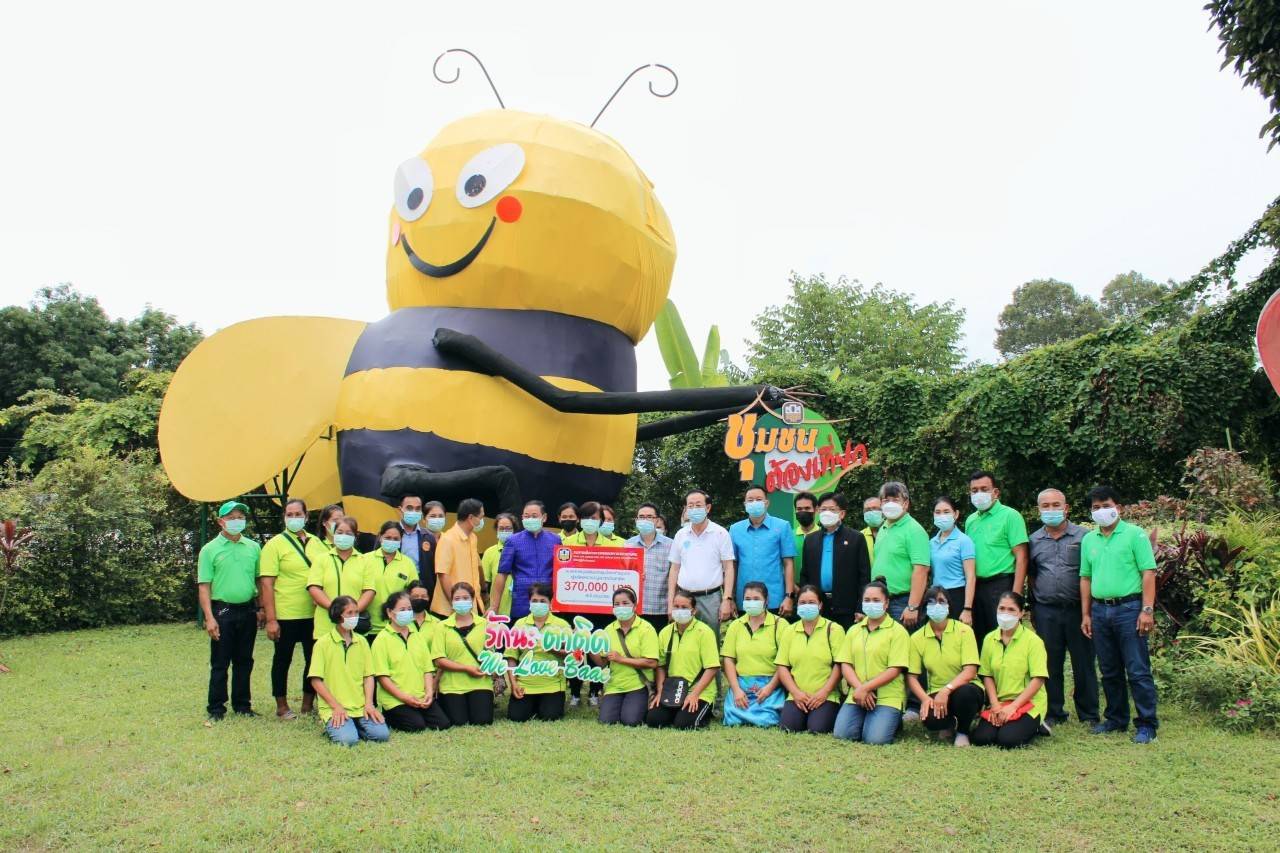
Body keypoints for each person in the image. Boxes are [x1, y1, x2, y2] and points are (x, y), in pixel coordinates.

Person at [1080, 485, 1158, 743]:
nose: (1101, 511)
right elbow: (1085, 578)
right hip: (1100, 610)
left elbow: (1148, 572)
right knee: (1109, 669)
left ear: (1118, 508)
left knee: (1137, 669)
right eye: (1096, 507)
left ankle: (1147, 724)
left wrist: (1147, 610)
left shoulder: (1135, 535)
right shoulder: (1089, 539)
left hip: (1129, 609)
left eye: (1106, 506)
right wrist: (1086, 614)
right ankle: (1116, 718)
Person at [1028, 488, 1098, 727]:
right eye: (1045, 506)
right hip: (1046, 610)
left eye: (1056, 505)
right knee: (1050, 663)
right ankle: (1054, 712)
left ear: (1066, 508)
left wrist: (1088, 612)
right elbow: (1032, 576)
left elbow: (1090, 573)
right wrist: (1033, 609)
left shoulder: (1084, 537)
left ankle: (1089, 714)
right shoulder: (1034, 540)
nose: (1051, 510)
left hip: (1079, 609)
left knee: (1084, 663)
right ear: (1039, 511)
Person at [258, 498, 329, 719]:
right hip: (286, 613)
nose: (294, 518)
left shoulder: (317, 543)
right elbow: (267, 584)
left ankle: (308, 703)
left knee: (313, 659)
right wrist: (271, 619)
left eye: (299, 514)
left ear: (307, 517)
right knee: (282, 659)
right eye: (290, 514)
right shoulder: (274, 545)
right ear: (284, 518)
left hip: (313, 614)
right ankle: (281, 706)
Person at [198, 500, 262, 721]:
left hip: (247, 610)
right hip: (222, 611)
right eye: (232, 518)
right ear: (220, 521)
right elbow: (204, 586)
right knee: (220, 661)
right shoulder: (209, 550)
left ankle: (242, 705)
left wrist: (261, 608)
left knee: (245, 660)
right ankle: (216, 708)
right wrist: (209, 617)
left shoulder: (253, 547)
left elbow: (259, 580)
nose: (237, 521)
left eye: (241, 517)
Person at [562, 500, 625, 706]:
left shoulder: (614, 546)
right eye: (587, 518)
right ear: (580, 520)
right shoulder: (566, 545)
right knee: (577, 648)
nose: (591, 521)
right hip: (574, 607)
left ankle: (595, 691)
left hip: (602, 607)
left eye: (595, 518)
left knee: (598, 647)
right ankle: (575, 692)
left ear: (600, 521)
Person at [833, 580, 910, 745]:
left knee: (875, 740)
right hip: (858, 694)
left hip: (887, 696)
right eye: (867, 600)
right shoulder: (854, 630)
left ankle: (893, 721)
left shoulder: (898, 632)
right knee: (842, 734)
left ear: (886, 603)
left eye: (876, 600)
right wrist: (860, 689)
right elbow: (845, 664)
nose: (871, 604)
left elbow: (895, 669)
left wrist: (866, 688)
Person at [907, 586, 984, 747]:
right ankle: (948, 724)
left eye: (942, 601)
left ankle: (963, 731)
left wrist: (946, 690)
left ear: (949, 605)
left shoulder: (964, 631)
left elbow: (970, 671)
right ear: (925, 607)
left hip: (966, 687)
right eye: (932, 602)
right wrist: (925, 699)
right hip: (935, 691)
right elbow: (912, 677)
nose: (937, 606)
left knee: (965, 694)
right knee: (930, 720)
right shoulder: (917, 638)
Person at [308, 596, 390, 745]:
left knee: (382, 735)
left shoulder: (362, 641)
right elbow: (316, 680)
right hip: (333, 708)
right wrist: (336, 706)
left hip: (360, 707)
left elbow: (369, 676)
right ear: (338, 616)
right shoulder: (322, 644)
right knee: (348, 741)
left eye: (356, 612)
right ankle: (338, 725)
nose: (354, 617)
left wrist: (369, 704)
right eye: (350, 613)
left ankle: (354, 725)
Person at [972, 591, 1048, 749]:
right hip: (1000, 702)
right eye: (1002, 608)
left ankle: (1037, 725)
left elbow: (1038, 679)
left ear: (1021, 613)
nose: (1005, 614)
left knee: (1008, 740)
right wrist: (995, 705)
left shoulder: (1033, 641)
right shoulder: (989, 639)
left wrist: (1013, 707)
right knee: (982, 738)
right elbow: (987, 675)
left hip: (1028, 703)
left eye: (1011, 610)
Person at [965, 470, 1029, 649]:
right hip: (977, 587)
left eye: (984, 489)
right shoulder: (971, 521)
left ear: (996, 492)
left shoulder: (1010, 516)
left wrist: (1016, 595)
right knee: (980, 640)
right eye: (974, 490)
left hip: (1001, 585)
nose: (979, 494)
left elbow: (1022, 557)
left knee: (1005, 637)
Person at [372, 591, 451, 732]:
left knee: (443, 723)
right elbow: (382, 678)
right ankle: (390, 716)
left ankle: (417, 712)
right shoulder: (381, 640)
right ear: (390, 612)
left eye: (409, 609)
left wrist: (429, 692)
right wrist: (404, 697)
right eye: (402, 610)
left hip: (420, 697)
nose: (407, 613)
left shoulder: (417, 636)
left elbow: (427, 669)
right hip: (396, 700)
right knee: (417, 726)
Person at [646, 589, 721, 729]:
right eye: (676, 606)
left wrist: (695, 694)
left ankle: (706, 711)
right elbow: (660, 665)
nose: (679, 610)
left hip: (698, 690)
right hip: (673, 689)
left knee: (684, 724)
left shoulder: (704, 632)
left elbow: (712, 668)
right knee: (653, 720)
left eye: (684, 607)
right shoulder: (665, 632)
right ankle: (677, 710)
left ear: (693, 611)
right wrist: (661, 692)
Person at [775, 585, 845, 733]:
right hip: (797, 694)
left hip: (826, 695)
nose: (807, 606)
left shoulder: (834, 629)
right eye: (802, 602)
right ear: (797, 605)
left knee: (817, 728)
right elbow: (782, 666)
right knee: (788, 727)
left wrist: (824, 693)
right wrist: (795, 693)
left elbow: (840, 665)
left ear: (820, 605)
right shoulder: (789, 631)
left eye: (812, 602)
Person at [798, 492, 871, 629]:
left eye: (832, 510)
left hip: (847, 607)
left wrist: (861, 607)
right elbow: (805, 575)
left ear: (842, 514)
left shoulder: (856, 538)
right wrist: (805, 603)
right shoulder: (810, 540)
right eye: (823, 509)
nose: (827, 513)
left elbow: (864, 576)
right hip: (817, 607)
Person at [668, 489, 736, 631]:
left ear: (708, 507)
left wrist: (727, 600)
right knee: (683, 640)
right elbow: (674, 569)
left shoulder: (720, 533)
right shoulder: (681, 535)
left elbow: (729, 568)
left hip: (710, 598)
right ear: (685, 509)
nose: (694, 509)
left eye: (698, 505)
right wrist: (670, 603)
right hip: (683, 597)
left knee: (710, 641)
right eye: (690, 506)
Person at [504, 582, 572, 722]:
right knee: (517, 717)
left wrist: (553, 649)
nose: (538, 604)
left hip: (552, 684)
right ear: (529, 602)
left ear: (550, 602)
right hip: (525, 683)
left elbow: (573, 656)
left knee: (550, 716)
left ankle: (543, 704)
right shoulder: (519, 625)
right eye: (534, 601)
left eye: (543, 601)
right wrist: (514, 684)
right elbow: (511, 658)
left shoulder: (562, 625)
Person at [720, 581, 785, 727]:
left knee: (768, 720)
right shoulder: (736, 626)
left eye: (756, 599)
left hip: (770, 684)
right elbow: (728, 659)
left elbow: (785, 663)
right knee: (733, 719)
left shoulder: (780, 625)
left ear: (766, 601)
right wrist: (736, 690)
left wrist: (769, 689)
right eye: (748, 599)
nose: (752, 603)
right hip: (742, 684)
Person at [593, 586, 659, 726]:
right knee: (606, 721)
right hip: (614, 685)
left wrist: (621, 659)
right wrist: (590, 650)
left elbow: (652, 663)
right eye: (616, 604)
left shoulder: (646, 629)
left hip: (638, 684)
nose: (620, 607)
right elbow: (603, 664)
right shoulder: (608, 630)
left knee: (630, 721)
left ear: (634, 605)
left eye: (625, 603)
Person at [432, 581, 494, 726]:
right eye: (457, 598)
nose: (461, 602)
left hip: (480, 683)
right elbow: (439, 660)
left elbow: (491, 655)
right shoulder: (442, 627)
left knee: (482, 721)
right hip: (452, 685)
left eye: (465, 598)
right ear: (451, 601)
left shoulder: (485, 625)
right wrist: (466, 668)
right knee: (457, 721)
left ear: (472, 600)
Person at [728, 486, 796, 617]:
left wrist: (789, 596)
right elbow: (732, 566)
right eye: (750, 500)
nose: (754, 503)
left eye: (758, 499)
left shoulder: (782, 526)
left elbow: (788, 563)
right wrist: (730, 597)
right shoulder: (735, 529)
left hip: (775, 599)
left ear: (767, 503)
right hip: (745, 599)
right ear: (745, 504)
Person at [870, 482, 929, 629]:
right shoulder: (883, 528)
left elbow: (921, 570)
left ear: (906, 503)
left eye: (895, 500)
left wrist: (912, 607)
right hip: (880, 601)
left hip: (903, 602)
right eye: (886, 500)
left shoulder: (914, 530)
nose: (890, 504)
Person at [306, 516, 374, 641]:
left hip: (354, 625)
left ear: (355, 536)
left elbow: (369, 591)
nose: (344, 536)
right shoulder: (321, 559)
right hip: (325, 626)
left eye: (348, 533)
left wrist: (351, 613)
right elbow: (314, 588)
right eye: (340, 532)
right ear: (334, 533)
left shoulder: (365, 561)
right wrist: (335, 611)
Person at [493, 500, 560, 623]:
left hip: (549, 603)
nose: (530, 519)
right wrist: (494, 607)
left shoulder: (555, 540)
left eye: (534, 516)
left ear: (544, 517)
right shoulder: (512, 541)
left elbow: (561, 571)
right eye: (526, 516)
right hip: (521, 604)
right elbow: (502, 574)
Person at [430, 498, 486, 617]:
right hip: (450, 610)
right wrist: (456, 604)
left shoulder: (473, 538)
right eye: (481, 517)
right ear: (471, 518)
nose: (482, 521)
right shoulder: (448, 539)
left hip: (470, 606)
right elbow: (443, 574)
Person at [626, 502, 673, 632]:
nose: (645, 520)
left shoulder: (671, 545)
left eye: (649, 517)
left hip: (661, 610)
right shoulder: (628, 546)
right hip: (634, 610)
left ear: (657, 520)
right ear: (636, 520)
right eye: (641, 517)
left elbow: (674, 577)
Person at [929, 495, 976, 623]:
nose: (941, 516)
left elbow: (971, 576)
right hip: (936, 596)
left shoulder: (964, 541)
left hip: (956, 596)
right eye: (937, 512)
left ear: (955, 514)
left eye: (946, 512)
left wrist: (967, 608)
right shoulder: (932, 542)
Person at [481, 512, 516, 617]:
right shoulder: (489, 552)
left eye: (508, 528)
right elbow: (484, 583)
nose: (505, 531)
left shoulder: (521, 550)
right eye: (501, 528)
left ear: (514, 530)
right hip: (497, 610)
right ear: (496, 530)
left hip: (518, 608)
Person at [418, 500, 446, 596]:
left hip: (443, 590)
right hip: (422, 590)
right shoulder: (418, 538)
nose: (437, 519)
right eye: (433, 516)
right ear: (424, 519)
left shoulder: (449, 539)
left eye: (440, 516)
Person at [791, 491, 819, 585]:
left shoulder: (824, 535)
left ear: (816, 509)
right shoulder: (789, 536)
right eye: (799, 509)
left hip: (817, 589)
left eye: (807, 508)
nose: (803, 512)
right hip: (794, 588)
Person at [861, 496, 883, 560]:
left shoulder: (893, 532)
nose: (871, 512)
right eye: (867, 510)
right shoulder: (860, 535)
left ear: (883, 511)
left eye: (874, 508)